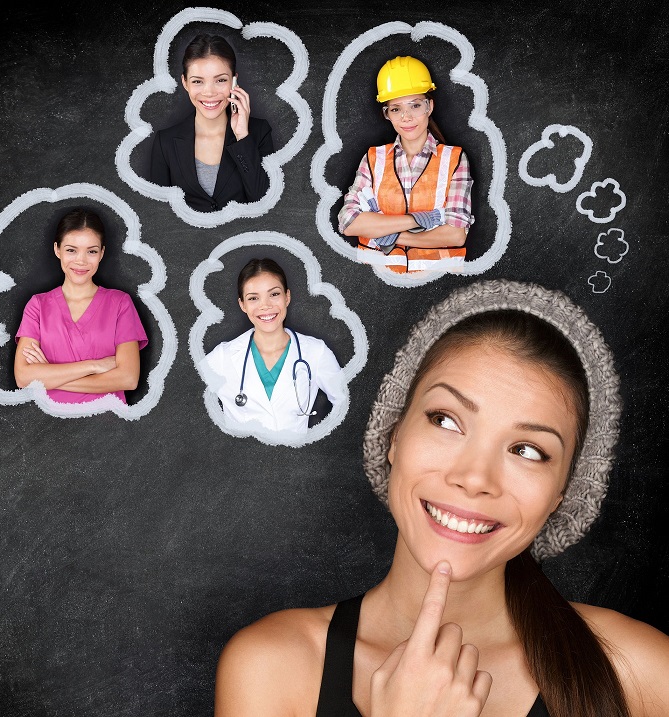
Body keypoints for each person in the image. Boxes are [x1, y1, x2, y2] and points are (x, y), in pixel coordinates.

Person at [215, 280, 669, 716]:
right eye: (446, 420)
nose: (474, 478)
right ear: (393, 435)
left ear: (561, 496)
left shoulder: (641, 672)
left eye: (527, 450)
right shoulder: (272, 668)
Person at [338, 55, 473, 274]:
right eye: (396, 109)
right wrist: (419, 220)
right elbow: (349, 222)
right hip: (376, 283)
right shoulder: (374, 159)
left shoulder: (454, 159)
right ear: (387, 115)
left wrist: (390, 233)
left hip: (436, 281)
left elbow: (456, 234)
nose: (407, 117)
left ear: (429, 106)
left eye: (415, 105)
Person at [14, 208, 148, 404]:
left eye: (91, 251)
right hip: (45, 427)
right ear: (57, 250)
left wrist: (49, 377)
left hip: (109, 427)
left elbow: (128, 379)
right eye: (71, 250)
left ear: (102, 253)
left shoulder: (120, 303)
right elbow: (23, 377)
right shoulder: (38, 306)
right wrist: (94, 366)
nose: (81, 261)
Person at [203, 258, 344, 434]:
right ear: (243, 305)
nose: (266, 306)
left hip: (298, 458)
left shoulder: (316, 352)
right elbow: (184, 398)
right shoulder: (222, 357)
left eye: (274, 294)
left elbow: (347, 406)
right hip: (238, 460)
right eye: (253, 298)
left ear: (287, 297)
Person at [150, 33, 273, 212]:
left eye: (221, 80)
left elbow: (268, 205)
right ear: (185, 83)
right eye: (198, 81)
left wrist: (242, 137)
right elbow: (156, 213)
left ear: (234, 81)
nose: (209, 92)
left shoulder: (259, 132)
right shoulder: (166, 142)